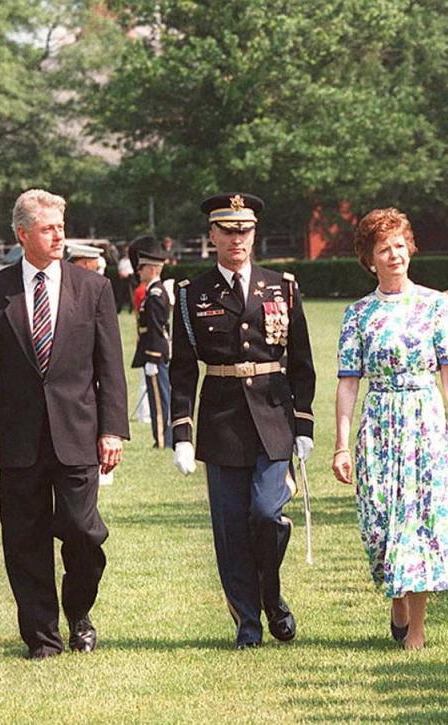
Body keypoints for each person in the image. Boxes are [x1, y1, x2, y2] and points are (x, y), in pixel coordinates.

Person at [0, 188, 128, 659]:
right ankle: (42, 637)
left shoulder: (93, 288)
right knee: (24, 541)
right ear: (22, 234)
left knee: (82, 532)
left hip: (79, 434)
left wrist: (112, 429)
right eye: (48, 228)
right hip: (16, 439)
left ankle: (79, 613)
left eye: (61, 226)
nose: (59, 235)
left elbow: (109, 367)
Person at [332, 208, 448, 651]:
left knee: (418, 525)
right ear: (370, 259)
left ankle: (415, 629)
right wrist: (342, 445)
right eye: (385, 248)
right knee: (381, 525)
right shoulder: (358, 314)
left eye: (400, 245)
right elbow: (347, 382)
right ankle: (397, 601)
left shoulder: (434, 304)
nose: (395, 254)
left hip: (424, 424)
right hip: (379, 423)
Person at [169, 192, 315, 649]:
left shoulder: (281, 286)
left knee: (267, 514)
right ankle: (248, 623)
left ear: (255, 234)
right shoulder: (192, 293)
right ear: (212, 236)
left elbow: (302, 362)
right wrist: (182, 435)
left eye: (245, 230)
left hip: (273, 419)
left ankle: (271, 598)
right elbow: (181, 369)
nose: (237, 239)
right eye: (228, 231)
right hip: (222, 420)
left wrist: (304, 424)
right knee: (232, 530)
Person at [129, 236, 172, 449]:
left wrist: (153, 357)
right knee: (161, 396)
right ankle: (165, 437)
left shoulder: (155, 294)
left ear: (153, 269)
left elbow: (156, 328)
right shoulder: (154, 292)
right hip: (157, 351)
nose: (139, 272)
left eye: (142, 268)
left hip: (155, 353)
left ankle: (163, 439)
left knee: (159, 399)